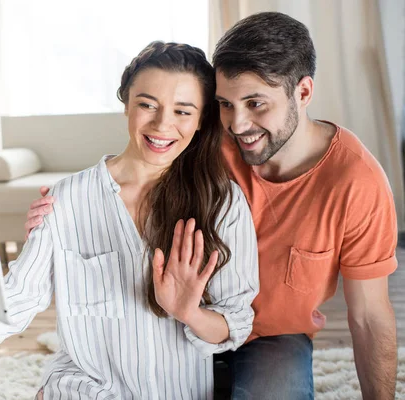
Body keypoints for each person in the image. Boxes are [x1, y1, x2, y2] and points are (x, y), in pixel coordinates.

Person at [25, 12, 399, 400]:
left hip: (269, 339)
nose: (237, 125)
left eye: (256, 104)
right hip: (166, 326)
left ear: (303, 93)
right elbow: (129, 176)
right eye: (225, 104)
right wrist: (58, 219)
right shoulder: (201, 139)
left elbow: (369, 316)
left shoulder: (357, 183)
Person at [0, 41, 259, 399]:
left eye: (182, 111)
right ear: (126, 104)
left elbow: (235, 323)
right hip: (83, 389)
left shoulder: (222, 202)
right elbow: (12, 308)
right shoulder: (67, 199)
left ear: (200, 120)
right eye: (147, 104)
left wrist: (188, 312)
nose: (162, 125)